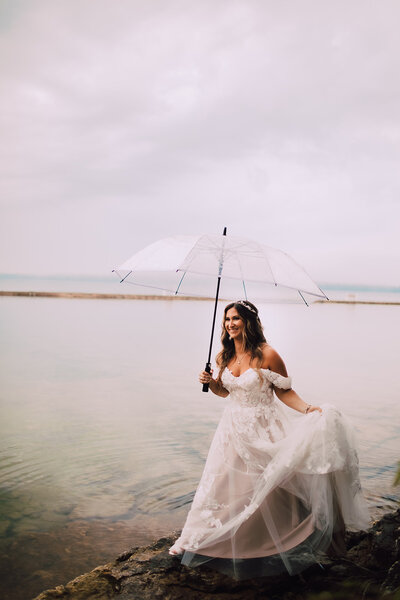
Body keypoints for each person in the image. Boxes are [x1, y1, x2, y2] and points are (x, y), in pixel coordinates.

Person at [169, 300, 370, 580]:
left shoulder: (268, 354)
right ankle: (198, 538)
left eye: (236, 318)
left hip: (264, 427)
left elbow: (284, 391)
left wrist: (307, 408)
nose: (230, 324)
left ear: (249, 321)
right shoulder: (223, 356)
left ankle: (283, 537)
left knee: (271, 485)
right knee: (222, 484)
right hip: (232, 429)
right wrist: (211, 382)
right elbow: (226, 393)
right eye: (227, 319)